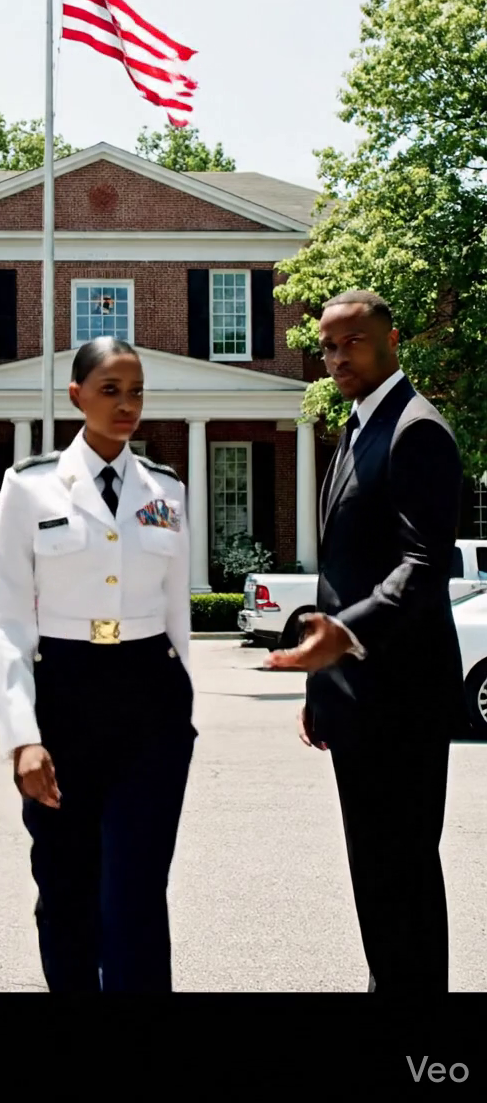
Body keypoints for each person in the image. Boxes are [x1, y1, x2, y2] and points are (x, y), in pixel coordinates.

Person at [0, 336, 196, 993]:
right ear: (76, 396)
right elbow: (4, 613)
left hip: (150, 698)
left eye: (136, 392)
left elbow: (177, 614)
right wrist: (22, 737)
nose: (127, 405)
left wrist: (180, 707)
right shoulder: (29, 487)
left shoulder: (166, 489)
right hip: (65, 696)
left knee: (136, 890)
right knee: (67, 885)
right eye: (110, 390)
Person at [266, 290, 466, 995]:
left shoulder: (417, 428)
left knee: (403, 877)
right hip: (359, 701)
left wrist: (344, 636)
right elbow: (343, 574)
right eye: (328, 346)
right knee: (377, 877)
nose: (337, 357)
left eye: (352, 341)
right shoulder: (357, 430)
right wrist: (322, 686)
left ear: (392, 340)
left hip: (404, 701)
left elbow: (422, 565)